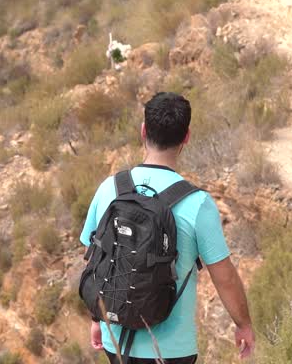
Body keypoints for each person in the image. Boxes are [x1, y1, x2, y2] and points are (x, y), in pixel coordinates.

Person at [80, 92, 255, 363]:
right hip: (171, 349)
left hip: (115, 339)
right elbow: (225, 277)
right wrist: (243, 324)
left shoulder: (110, 188)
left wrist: (97, 317)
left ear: (143, 131)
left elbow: (98, 259)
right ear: (186, 137)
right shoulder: (198, 203)